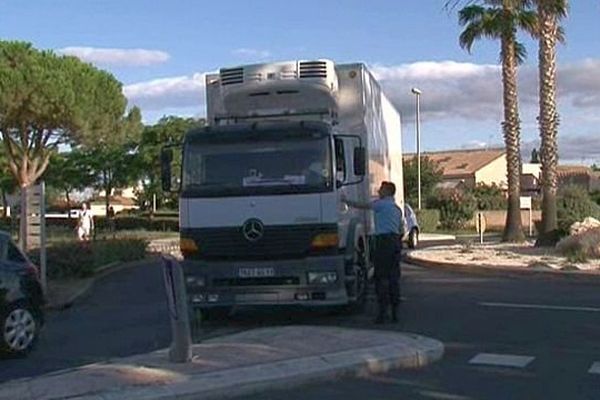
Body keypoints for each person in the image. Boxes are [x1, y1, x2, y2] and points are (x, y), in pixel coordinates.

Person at [342, 181, 404, 324]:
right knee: (394, 277)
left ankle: (382, 312)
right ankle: (395, 312)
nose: (379, 191)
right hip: (395, 242)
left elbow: (363, 206)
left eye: (381, 189)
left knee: (381, 277)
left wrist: (346, 201)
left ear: (387, 191)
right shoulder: (396, 208)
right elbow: (400, 229)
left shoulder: (381, 204)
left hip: (383, 242)